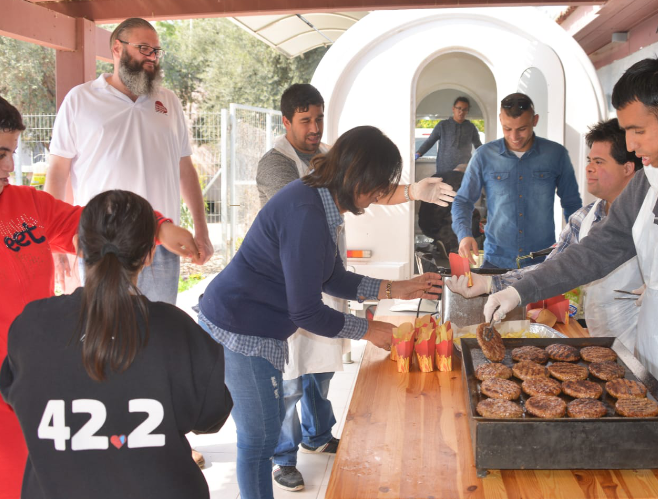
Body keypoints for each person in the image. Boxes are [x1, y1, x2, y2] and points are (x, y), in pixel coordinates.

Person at [484, 58, 658, 499]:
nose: (631, 145)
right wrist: (520, 288)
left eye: (637, 131)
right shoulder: (650, 180)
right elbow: (598, 249)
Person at [0, 88, 197, 499]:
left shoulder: (26, 205)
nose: (11, 166)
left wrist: (159, 226)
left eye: (13, 153)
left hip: (43, 387)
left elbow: (97, 224)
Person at [198, 126, 443, 499]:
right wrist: (367, 330)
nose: (380, 194)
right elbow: (307, 312)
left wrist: (397, 288)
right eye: (377, 185)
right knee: (260, 441)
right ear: (356, 176)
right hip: (240, 328)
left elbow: (332, 277)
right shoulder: (306, 212)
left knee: (260, 436)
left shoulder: (320, 201)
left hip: (252, 322)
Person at [256, 84, 455, 492]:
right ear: (287, 121)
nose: (314, 127)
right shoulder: (285, 176)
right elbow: (305, 301)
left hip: (321, 272)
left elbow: (365, 200)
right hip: (287, 283)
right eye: (305, 120)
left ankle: (317, 434)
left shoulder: (330, 159)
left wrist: (413, 193)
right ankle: (283, 455)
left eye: (319, 118)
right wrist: (367, 327)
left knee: (321, 368)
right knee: (292, 375)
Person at [0, 190, 233, 499]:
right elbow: (211, 417)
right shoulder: (176, 330)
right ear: (149, 253)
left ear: (77, 246)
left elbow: (15, 397)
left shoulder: (32, 327)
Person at [45, 17, 213, 304]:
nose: (152, 58)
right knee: (106, 334)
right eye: (144, 48)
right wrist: (54, 243)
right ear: (117, 48)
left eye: (156, 51)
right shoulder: (80, 99)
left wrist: (201, 228)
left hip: (161, 242)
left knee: (156, 335)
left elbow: (185, 168)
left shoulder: (169, 102)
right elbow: (58, 173)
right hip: (104, 242)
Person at [448, 118, 644, 352]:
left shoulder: (651, 219)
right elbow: (554, 267)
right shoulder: (583, 218)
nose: (589, 168)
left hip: (642, 341)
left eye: (599, 162)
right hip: (600, 340)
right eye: (589, 160)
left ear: (628, 168)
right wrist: (492, 282)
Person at [452, 92, 582, 269]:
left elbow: (572, 204)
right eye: (507, 129)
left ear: (534, 120)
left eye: (522, 129)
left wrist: (576, 242)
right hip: (497, 261)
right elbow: (462, 201)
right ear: (500, 119)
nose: (514, 137)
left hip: (542, 263)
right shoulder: (484, 155)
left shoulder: (556, 154)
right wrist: (464, 235)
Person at [417, 164, 482, 256]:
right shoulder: (464, 180)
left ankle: (439, 242)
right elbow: (461, 209)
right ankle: (452, 246)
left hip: (425, 225)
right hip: (445, 228)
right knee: (472, 215)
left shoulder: (437, 176)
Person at [415, 96, 482, 173]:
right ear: (453, 109)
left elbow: (478, 146)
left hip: (464, 169)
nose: (461, 112)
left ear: (467, 111)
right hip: (444, 168)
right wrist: (419, 153)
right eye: (459, 108)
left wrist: (486, 157)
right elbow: (430, 141)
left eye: (465, 109)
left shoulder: (471, 127)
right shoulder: (442, 125)